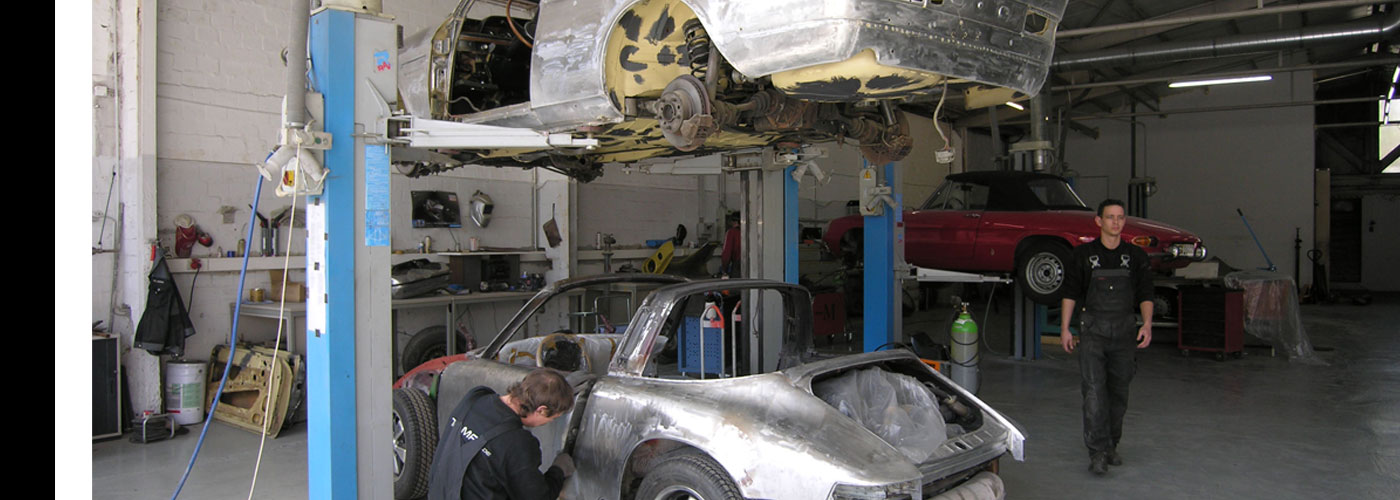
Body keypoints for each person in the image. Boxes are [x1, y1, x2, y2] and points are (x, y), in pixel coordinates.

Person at [1059, 199, 1153, 476]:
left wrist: (1147, 324)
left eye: (1120, 217)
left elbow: (1146, 293)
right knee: (1094, 392)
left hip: (1124, 332)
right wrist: (1065, 328)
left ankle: (1112, 444)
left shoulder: (1135, 257)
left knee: (1119, 392)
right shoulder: (1083, 255)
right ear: (1099, 221)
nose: (1116, 222)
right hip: (1093, 332)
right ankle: (1097, 451)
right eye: (1110, 217)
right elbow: (1070, 293)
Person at [427, 368, 578, 499]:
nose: (549, 422)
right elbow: (537, 497)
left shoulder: (476, 397)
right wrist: (559, 470)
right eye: (553, 418)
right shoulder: (518, 442)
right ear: (542, 410)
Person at [719, 211, 741, 278]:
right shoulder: (749, 231)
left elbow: (727, 253)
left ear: (734, 221)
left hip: (737, 267)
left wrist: (724, 270)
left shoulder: (731, 232)